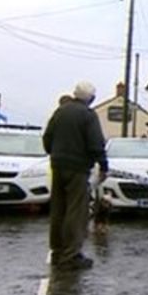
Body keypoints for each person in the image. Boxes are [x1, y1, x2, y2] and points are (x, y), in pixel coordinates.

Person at [43, 81, 108, 270]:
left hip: (58, 165)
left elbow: (47, 138)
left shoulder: (60, 112)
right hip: (78, 168)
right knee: (76, 211)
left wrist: (55, 153)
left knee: (58, 209)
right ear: (91, 98)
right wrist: (103, 164)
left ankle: (57, 251)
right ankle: (71, 255)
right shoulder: (88, 115)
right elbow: (96, 143)